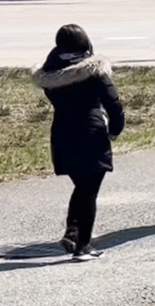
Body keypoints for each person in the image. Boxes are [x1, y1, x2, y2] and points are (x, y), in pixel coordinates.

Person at [32, 24, 126, 260]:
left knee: (81, 185)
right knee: (89, 189)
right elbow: (113, 103)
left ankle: (72, 232)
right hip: (90, 130)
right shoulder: (94, 71)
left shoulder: (50, 74)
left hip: (63, 131)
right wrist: (116, 128)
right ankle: (83, 245)